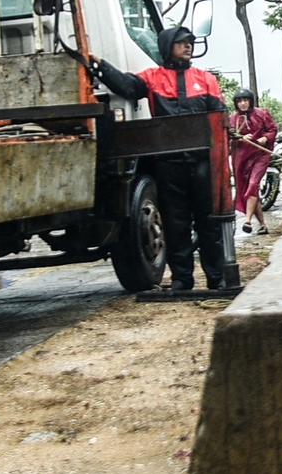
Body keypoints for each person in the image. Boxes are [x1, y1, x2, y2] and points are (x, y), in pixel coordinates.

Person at [90, 26, 230, 291]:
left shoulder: (206, 79)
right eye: (181, 42)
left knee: (208, 223)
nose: (188, 46)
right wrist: (101, 65)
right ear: (168, 46)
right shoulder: (153, 77)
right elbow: (127, 86)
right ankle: (182, 279)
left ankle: (217, 277)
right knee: (175, 224)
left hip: (202, 164)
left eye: (190, 42)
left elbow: (219, 116)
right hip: (169, 165)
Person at [228, 88, 279, 237]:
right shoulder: (232, 119)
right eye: (240, 101)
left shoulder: (262, 114)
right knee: (249, 189)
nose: (243, 104)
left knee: (253, 184)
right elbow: (229, 135)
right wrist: (239, 138)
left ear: (251, 101)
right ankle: (263, 225)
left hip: (260, 155)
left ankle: (248, 221)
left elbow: (272, 129)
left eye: (245, 100)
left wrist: (265, 138)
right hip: (241, 157)